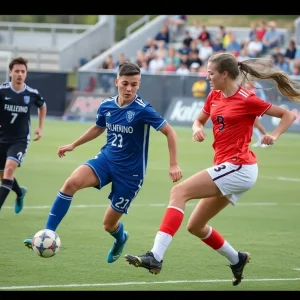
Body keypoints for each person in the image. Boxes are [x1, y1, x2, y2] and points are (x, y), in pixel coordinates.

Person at [124, 53, 299, 286]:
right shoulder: (214, 95)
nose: (207, 77)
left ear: (224, 74)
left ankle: (155, 257)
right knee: (195, 226)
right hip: (228, 167)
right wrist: (197, 128)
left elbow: (288, 114)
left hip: (240, 167)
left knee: (179, 192)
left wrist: (273, 135)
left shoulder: (247, 99)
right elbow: (199, 120)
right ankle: (237, 259)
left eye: (211, 73)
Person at [24, 61, 183, 263]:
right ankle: (46, 234)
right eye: (125, 83)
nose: (129, 88)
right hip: (106, 160)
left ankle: (120, 238)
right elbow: (99, 128)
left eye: (134, 84)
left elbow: (170, 132)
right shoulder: (107, 105)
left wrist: (173, 164)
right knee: (70, 183)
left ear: (139, 84)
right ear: (117, 81)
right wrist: (74, 144)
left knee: (108, 224)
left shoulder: (143, 109)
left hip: (130, 174)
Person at [0, 56, 46, 214]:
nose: (20, 74)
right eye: (17, 71)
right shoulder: (2, 91)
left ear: (26, 73)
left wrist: (40, 127)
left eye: (23, 71)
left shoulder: (31, 93)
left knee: (9, 170)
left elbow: (42, 106)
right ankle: (20, 193)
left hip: (20, 140)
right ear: (10, 73)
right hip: (2, 138)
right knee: (3, 176)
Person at [243, 78, 269, 148]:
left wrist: (261, 108)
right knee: (253, 126)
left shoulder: (257, 87)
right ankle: (260, 141)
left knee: (257, 125)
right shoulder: (246, 87)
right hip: (249, 109)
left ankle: (266, 140)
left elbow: (262, 98)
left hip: (257, 108)